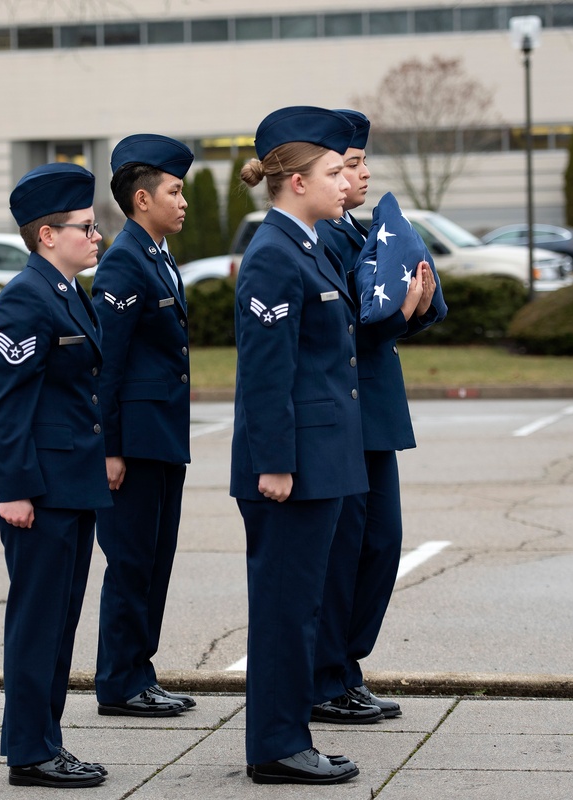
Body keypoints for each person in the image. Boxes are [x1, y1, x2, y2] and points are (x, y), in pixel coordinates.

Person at [230, 106, 367, 785]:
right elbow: (265, 371)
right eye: (332, 172)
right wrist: (275, 463)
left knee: (302, 605)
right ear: (294, 181)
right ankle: (277, 747)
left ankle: (287, 736)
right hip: (293, 470)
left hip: (321, 461)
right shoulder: (274, 256)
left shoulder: (306, 245)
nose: (344, 182)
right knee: (286, 608)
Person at [0, 162, 111, 789]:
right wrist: (16, 491)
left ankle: (45, 742)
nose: (97, 236)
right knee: (38, 623)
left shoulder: (64, 291)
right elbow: (7, 407)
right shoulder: (26, 298)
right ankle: (30, 752)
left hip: (68, 485)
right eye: (86, 227)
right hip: (38, 491)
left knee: (58, 624)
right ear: (47, 235)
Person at [311, 110, 435, 723]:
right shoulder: (322, 236)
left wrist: (414, 306)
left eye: (358, 164)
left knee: (379, 544)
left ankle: (344, 666)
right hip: (346, 413)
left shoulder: (354, 228)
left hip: (372, 411)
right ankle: (327, 674)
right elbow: (348, 328)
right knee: (351, 548)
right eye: (348, 165)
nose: (359, 175)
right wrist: (398, 311)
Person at [90, 134, 197, 718]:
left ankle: (140, 672)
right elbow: (107, 363)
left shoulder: (156, 254)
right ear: (141, 199)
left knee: (155, 560)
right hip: (132, 441)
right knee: (131, 562)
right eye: (174, 192)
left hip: (162, 436)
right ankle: (119, 682)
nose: (183, 202)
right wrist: (109, 448)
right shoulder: (125, 261)